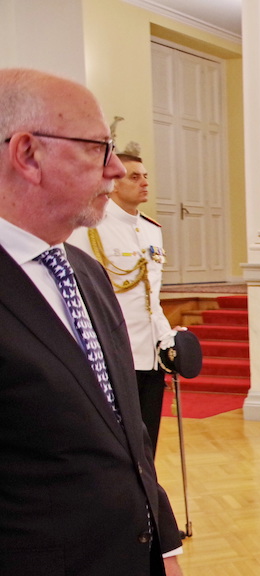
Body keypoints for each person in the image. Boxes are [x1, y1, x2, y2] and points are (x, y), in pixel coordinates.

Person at [0, 68, 188, 576]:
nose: (116, 169)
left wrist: (164, 542)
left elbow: (124, 428)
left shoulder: (84, 269)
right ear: (26, 153)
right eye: (96, 148)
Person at [68, 148, 175, 452]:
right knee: (116, 442)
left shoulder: (152, 230)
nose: (144, 183)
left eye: (145, 177)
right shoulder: (88, 229)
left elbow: (152, 295)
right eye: (134, 177)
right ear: (114, 182)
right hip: (113, 349)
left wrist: (166, 338)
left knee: (147, 438)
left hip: (151, 351)